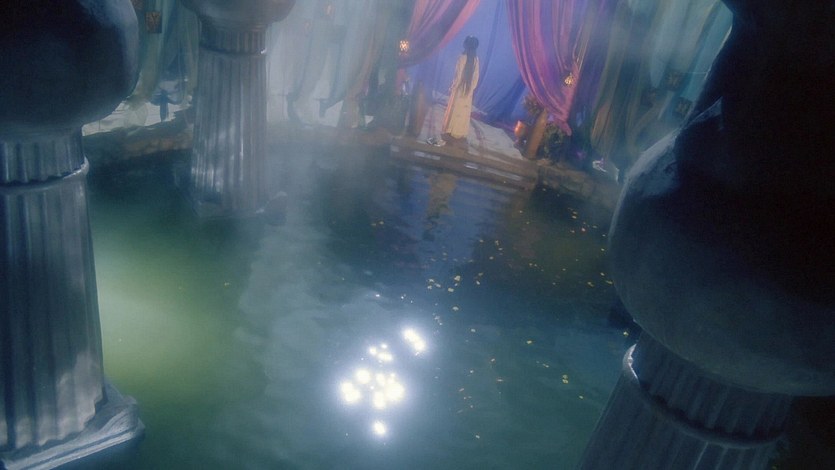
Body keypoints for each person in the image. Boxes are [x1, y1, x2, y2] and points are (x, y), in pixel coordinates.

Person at [430, 36, 479, 148]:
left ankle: (451, 131)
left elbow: (458, 76)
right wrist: (471, 89)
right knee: (464, 112)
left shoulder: (462, 58)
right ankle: (460, 133)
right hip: (468, 91)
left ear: (466, 45)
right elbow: (476, 78)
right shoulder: (476, 60)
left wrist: (453, 87)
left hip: (459, 90)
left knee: (455, 110)